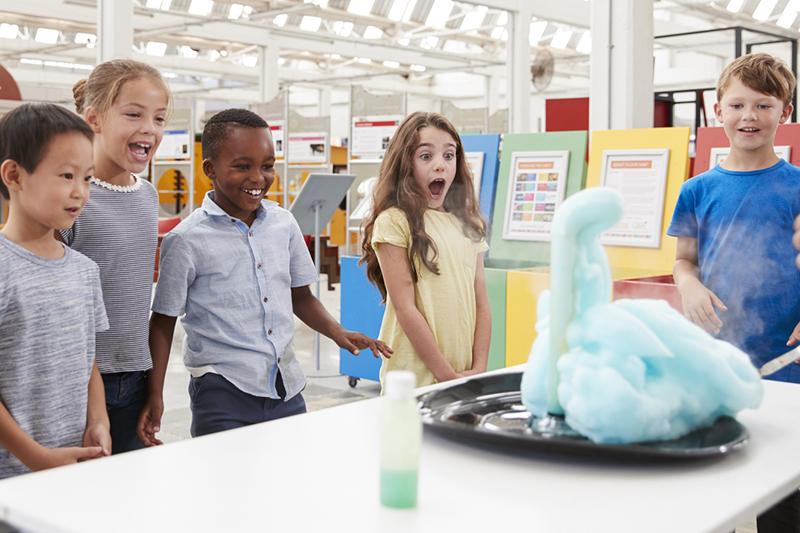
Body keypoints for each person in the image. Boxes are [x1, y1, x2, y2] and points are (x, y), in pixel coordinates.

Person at [146, 109, 392, 439]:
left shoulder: (283, 224)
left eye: (267, 165)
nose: (258, 177)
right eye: (242, 166)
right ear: (210, 170)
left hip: (285, 388)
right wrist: (154, 394)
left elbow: (299, 296)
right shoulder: (186, 240)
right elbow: (163, 322)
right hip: (222, 392)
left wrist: (337, 332)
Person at [668, 53, 800, 532]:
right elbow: (684, 261)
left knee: (785, 493)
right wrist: (689, 286)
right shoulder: (696, 191)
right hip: (718, 359)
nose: (750, 117)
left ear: (784, 112)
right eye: (738, 105)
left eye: (764, 106)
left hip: (789, 364)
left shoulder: (798, 187)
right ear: (717, 111)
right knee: (715, 483)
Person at [63, 59, 170, 453]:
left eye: (159, 119)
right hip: (78, 378)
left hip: (135, 374)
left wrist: (153, 387)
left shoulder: (146, 194)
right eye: (133, 115)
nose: (150, 129)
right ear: (94, 119)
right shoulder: (73, 196)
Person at [0, 103, 110, 478]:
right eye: (66, 175)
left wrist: (99, 420)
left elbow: (88, 358)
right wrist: (36, 457)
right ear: (14, 174)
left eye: (88, 178)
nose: (80, 192)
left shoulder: (83, 270)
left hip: (72, 462)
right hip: (13, 475)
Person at [360, 111, 491, 389]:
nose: (440, 165)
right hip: (414, 379)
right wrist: (446, 376)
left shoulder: (468, 223)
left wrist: (479, 367)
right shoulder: (394, 221)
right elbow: (406, 308)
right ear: (405, 163)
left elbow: (481, 301)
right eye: (425, 156)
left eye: (449, 155)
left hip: (462, 374)